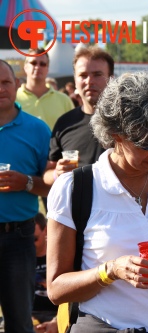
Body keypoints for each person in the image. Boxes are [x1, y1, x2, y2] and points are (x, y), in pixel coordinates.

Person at [46, 72, 148, 332]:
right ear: (116, 134)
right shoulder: (75, 189)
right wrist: (109, 271)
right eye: (147, 143)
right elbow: (56, 289)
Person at [43, 46, 148, 187]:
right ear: (75, 80)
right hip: (81, 208)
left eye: (97, 75)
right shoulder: (65, 123)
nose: (89, 81)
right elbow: (47, 173)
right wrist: (57, 173)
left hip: (128, 205)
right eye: (83, 75)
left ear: (111, 78)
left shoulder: (132, 119)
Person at [0, 60, 51, 333]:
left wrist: (26, 182)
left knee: (20, 321)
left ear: (17, 85)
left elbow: (53, 185)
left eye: (5, 82)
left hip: (19, 238)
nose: (0, 89)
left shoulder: (38, 130)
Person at [16, 48, 74, 130]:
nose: (37, 67)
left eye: (42, 64)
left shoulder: (64, 100)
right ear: (25, 67)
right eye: (33, 63)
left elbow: (72, 131)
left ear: (48, 69)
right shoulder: (14, 98)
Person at [32, 213, 58, 333]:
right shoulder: (16, 257)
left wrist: (57, 321)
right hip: (29, 315)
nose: (30, 244)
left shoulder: (60, 254)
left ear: (46, 230)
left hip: (58, 313)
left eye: (35, 239)